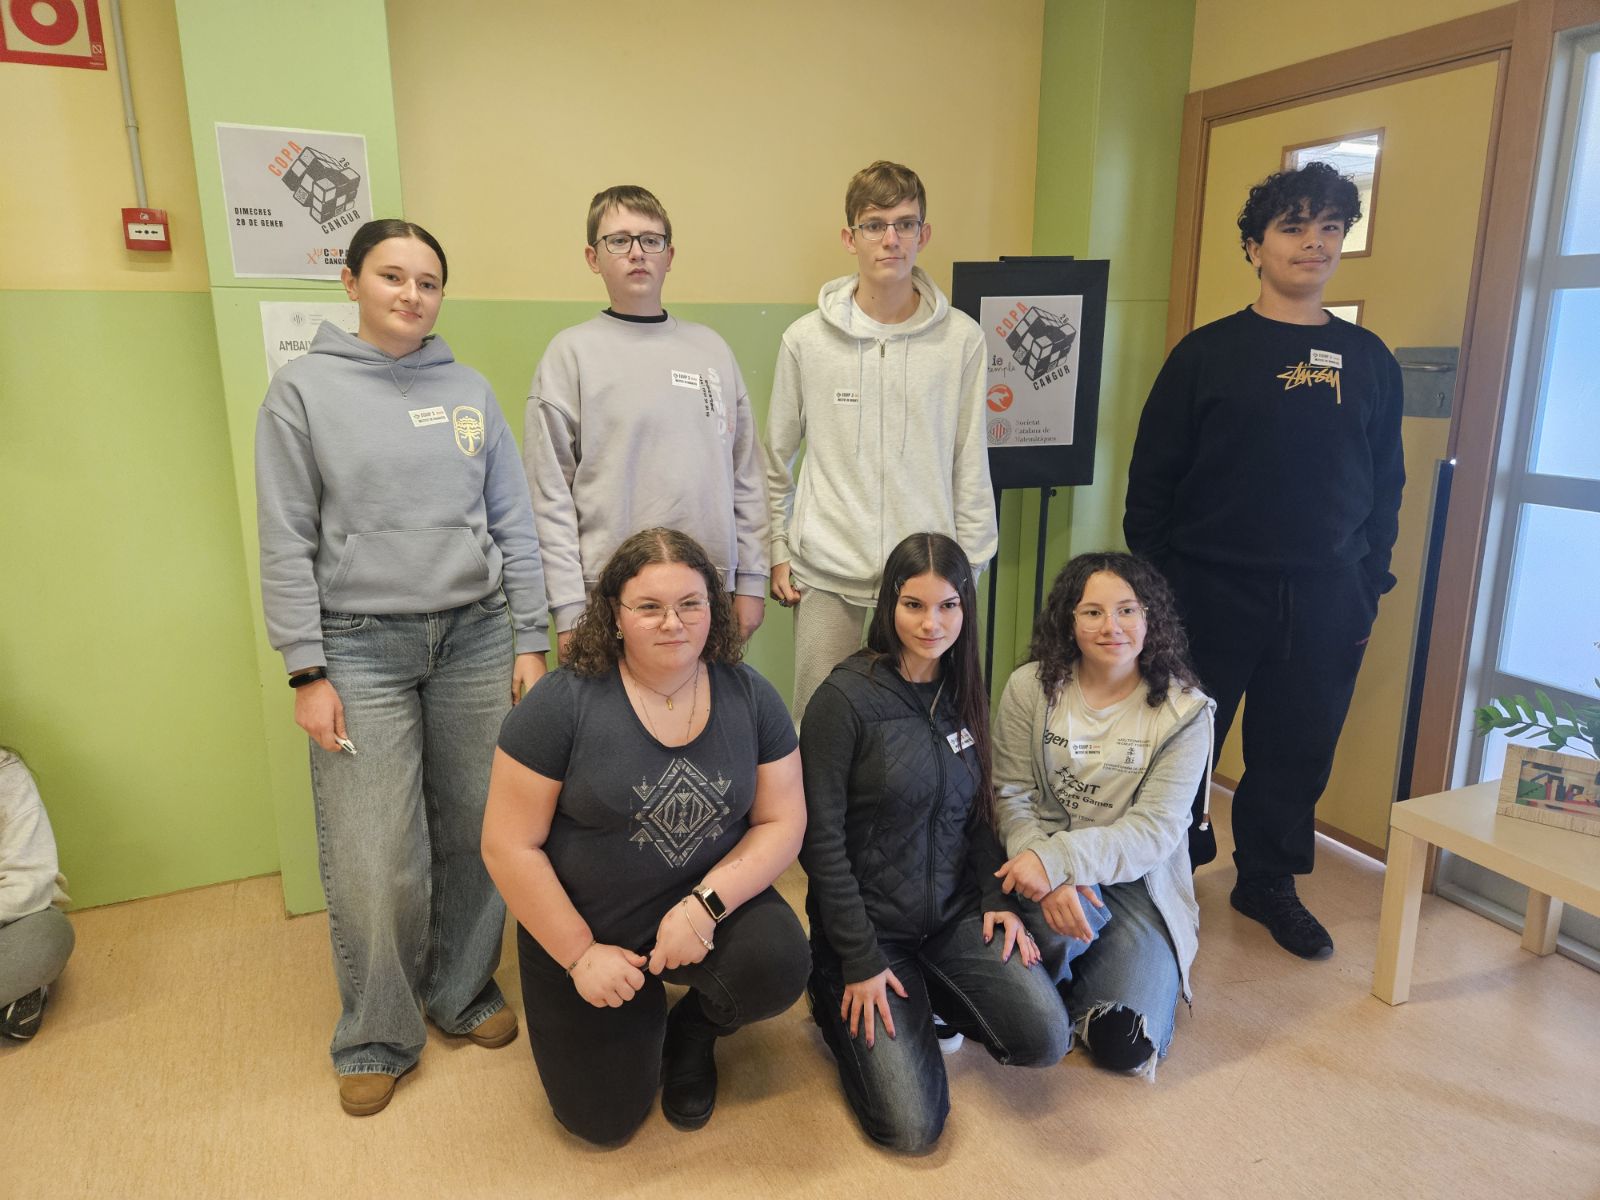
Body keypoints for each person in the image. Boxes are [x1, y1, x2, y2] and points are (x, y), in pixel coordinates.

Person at [255, 218, 549, 1116]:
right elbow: (284, 537)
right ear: (350, 282)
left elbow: (514, 520)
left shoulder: (469, 390)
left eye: (428, 281)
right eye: (391, 276)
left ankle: (460, 989)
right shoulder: (301, 392)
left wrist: (530, 637)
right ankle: (377, 1032)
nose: (411, 294)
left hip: (476, 636)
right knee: (374, 851)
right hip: (357, 646)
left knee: (479, 826)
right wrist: (306, 671)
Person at [1123, 161, 1405, 960]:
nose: (1314, 242)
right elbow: (1152, 484)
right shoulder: (1206, 354)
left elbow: (1386, 483)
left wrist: (1367, 582)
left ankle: (1268, 879)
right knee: (1182, 742)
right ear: (1254, 246)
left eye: (1330, 228)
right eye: (1294, 226)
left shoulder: (1367, 359)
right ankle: (1163, 869)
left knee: (1298, 745)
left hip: (1326, 595)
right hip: (1208, 587)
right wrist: (1162, 591)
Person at [483, 528, 809, 1146]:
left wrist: (706, 906)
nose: (673, 623)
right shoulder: (560, 704)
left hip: (700, 905)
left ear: (712, 608)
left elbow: (782, 822)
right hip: (588, 926)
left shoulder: (750, 696)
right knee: (601, 1122)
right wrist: (580, 955)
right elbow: (506, 845)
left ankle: (693, 1030)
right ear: (615, 614)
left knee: (779, 962)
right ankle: (633, 1006)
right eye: (650, 607)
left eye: (690, 603)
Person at [800, 533, 1069, 1153]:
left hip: (951, 916)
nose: (932, 623)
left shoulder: (963, 687)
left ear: (965, 608)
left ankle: (932, 989)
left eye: (948, 605)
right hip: (868, 936)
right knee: (911, 1128)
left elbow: (976, 814)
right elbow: (821, 844)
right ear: (888, 605)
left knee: (1045, 1038)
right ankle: (829, 993)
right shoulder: (843, 699)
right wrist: (858, 960)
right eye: (914, 605)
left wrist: (995, 899)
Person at [764, 160, 997, 725]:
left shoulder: (962, 341)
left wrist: (967, 570)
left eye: (905, 224)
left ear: (924, 233)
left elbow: (970, 460)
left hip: (925, 582)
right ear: (851, 238)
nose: (891, 239)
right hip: (827, 575)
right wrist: (777, 545)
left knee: (918, 730)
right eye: (874, 225)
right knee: (820, 726)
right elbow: (773, 457)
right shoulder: (806, 341)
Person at [992, 553, 1214, 1076]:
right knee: (1033, 986)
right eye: (1092, 612)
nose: (1111, 627)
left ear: (1151, 618)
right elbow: (1011, 795)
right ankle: (1064, 965)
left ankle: (1077, 974)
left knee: (1124, 1044)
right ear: (1068, 620)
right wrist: (1048, 872)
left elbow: (1153, 831)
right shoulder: (1029, 687)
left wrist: (1061, 862)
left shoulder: (1186, 712)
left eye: (1127, 611)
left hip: (1136, 882)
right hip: (1038, 858)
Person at [524, 185, 768, 661]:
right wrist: (568, 609)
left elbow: (745, 476)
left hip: (707, 590)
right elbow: (549, 496)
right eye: (619, 241)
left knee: (703, 705)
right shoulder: (570, 354)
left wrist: (752, 581)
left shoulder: (711, 350)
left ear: (669, 255)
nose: (637, 252)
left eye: (651, 240)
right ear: (593, 258)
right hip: (609, 595)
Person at [0, 748, 74, 1042]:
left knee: (48, 937)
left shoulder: (7, 772)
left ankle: (23, 986)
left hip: (12, 920)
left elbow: (29, 878)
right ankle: (18, 995)